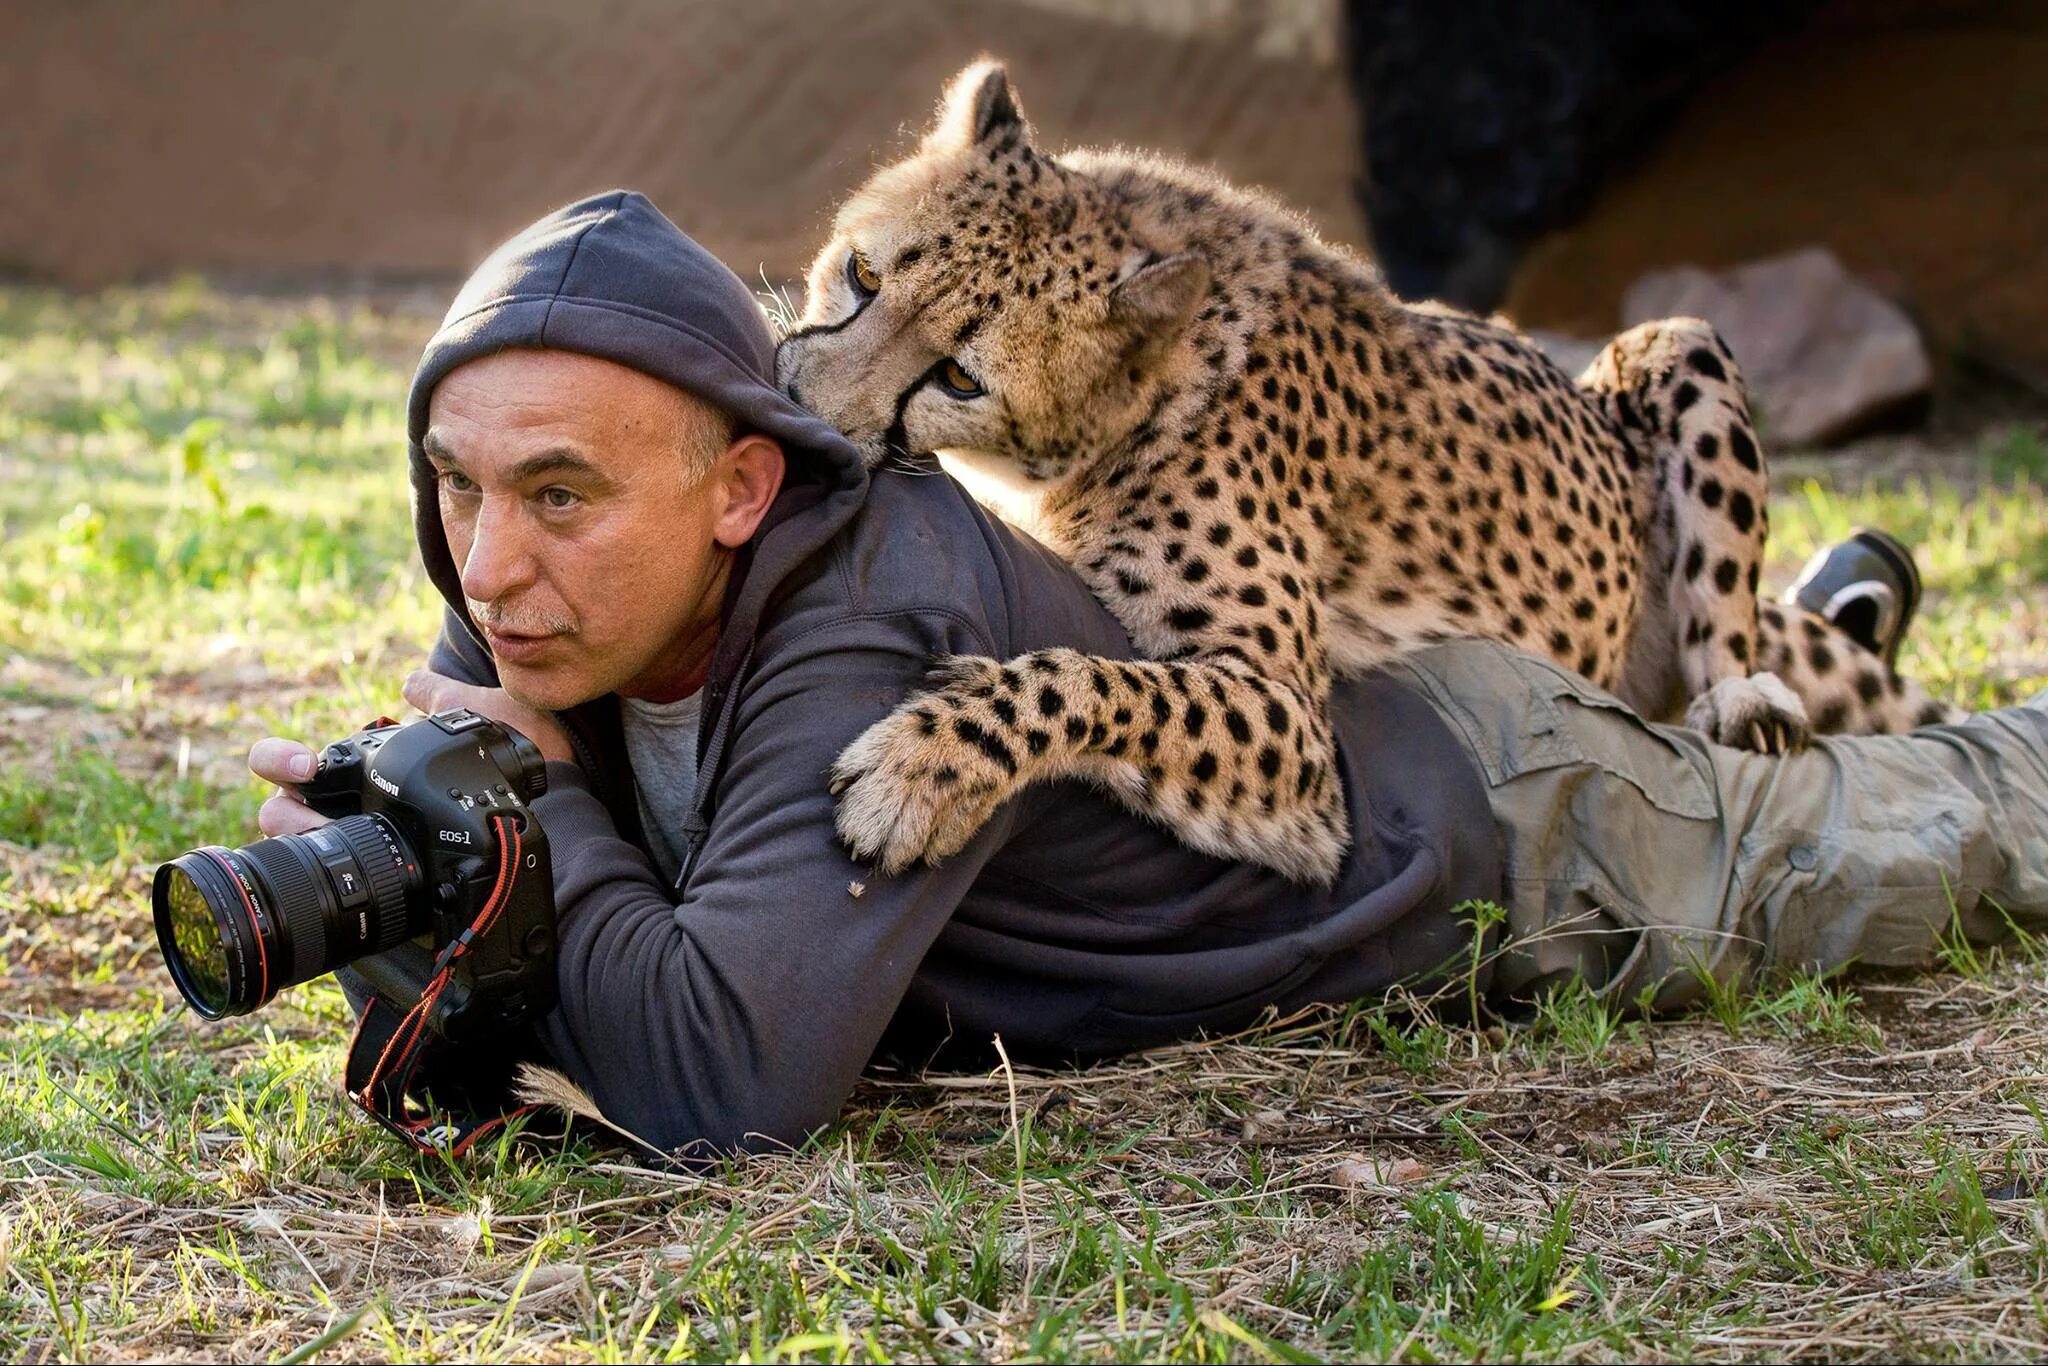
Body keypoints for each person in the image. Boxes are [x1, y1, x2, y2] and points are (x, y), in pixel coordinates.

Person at [248, 192, 2048, 1157]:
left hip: (1498, 819)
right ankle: (1826, 622)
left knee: (1942, 829)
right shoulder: (537, 574)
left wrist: (539, 806)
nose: (486, 567)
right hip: (1338, 707)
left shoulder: (873, 605)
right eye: (456, 484)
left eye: (557, 492)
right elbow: (530, 973)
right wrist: (410, 896)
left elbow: (723, 1084)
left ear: (743, 485)